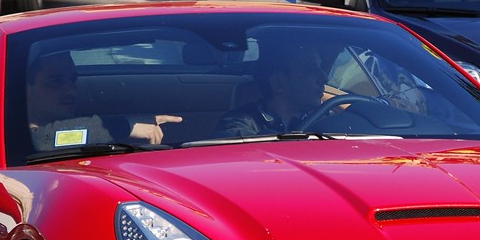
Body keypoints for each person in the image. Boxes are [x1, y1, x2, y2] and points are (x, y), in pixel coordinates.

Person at [27, 51, 181, 150]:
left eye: (73, 80)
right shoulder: (11, 134)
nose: (70, 90)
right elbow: (40, 140)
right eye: (56, 81)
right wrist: (125, 127)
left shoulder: (84, 127)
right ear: (27, 87)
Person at [214, 40, 328, 137]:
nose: (324, 78)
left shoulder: (325, 121)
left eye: (321, 68)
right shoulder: (239, 124)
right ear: (279, 82)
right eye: (310, 69)